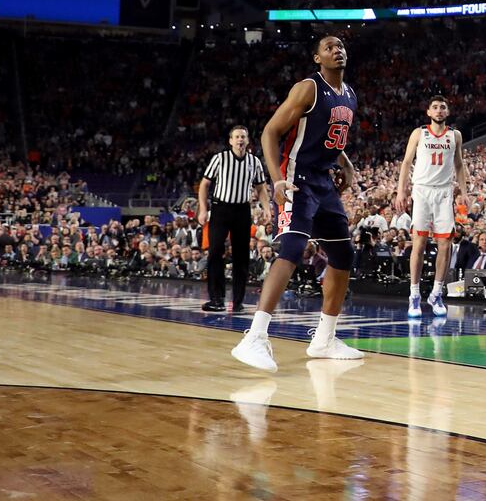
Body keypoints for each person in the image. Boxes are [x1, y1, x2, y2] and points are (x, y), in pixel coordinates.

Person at [230, 35, 364, 372]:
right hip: (296, 178)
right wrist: (277, 179)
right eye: (329, 47)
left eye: (341, 46)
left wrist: (345, 163)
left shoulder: (349, 95)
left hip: (323, 180)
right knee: (291, 248)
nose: (337, 50)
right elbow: (270, 132)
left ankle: (324, 338)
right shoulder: (308, 88)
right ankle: (255, 337)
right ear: (317, 57)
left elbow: (326, 136)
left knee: (343, 253)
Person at [394, 95, 467, 319]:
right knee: (419, 242)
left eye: (442, 107)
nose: (438, 110)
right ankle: (414, 294)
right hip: (422, 190)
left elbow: (459, 164)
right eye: (434, 107)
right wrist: (401, 190)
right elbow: (407, 162)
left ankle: (436, 293)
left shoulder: (455, 135)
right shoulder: (419, 133)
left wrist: (464, 191)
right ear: (428, 112)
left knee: (445, 242)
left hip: (444, 191)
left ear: (447, 112)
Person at [198, 126, 268, 312]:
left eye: (243, 137)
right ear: (230, 141)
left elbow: (261, 187)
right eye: (236, 137)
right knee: (214, 253)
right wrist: (203, 209)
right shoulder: (220, 159)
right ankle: (216, 298)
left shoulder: (254, 161)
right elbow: (205, 184)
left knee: (241, 257)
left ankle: (237, 301)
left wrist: (266, 208)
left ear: (247, 140)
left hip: (242, 211)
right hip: (221, 209)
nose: (240, 140)